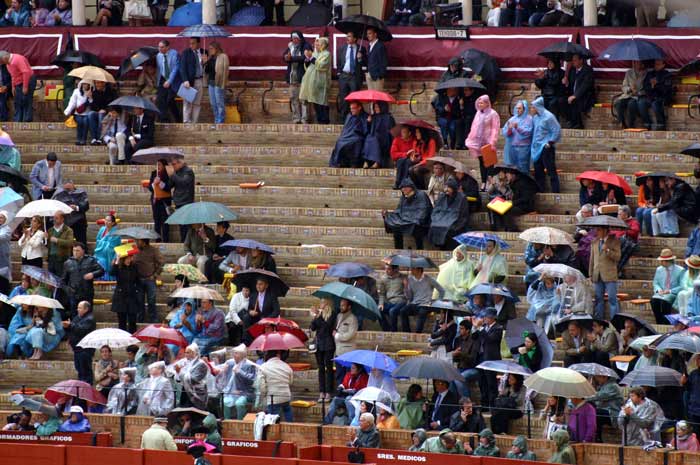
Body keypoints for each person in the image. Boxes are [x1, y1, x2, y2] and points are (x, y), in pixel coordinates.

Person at [383, 178, 432, 250]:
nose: (403, 190)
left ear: (411, 187)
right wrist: (388, 215)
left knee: (416, 227)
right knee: (396, 226)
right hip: (406, 219)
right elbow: (399, 210)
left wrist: (414, 219)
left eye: (405, 188)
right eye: (402, 188)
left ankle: (420, 248)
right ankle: (398, 249)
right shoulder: (403, 197)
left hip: (420, 221)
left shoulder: (421, 195)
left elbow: (424, 211)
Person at [465, 95, 500, 187]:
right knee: (481, 162)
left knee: (489, 162)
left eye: (482, 103)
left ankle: (490, 181)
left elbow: (495, 129)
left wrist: (493, 141)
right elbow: (474, 126)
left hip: (488, 141)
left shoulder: (493, 113)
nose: (480, 104)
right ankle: (483, 182)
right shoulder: (478, 113)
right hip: (478, 141)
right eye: (479, 103)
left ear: (486, 103)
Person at [530, 96, 561, 193]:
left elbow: (556, 130)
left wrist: (550, 142)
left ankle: (555, 190)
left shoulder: (549, 117)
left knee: (550, 169)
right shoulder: (535, 118)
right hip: (536, 147)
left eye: (533, 107)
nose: (532, 109)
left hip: (546, 147)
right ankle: (540, 189)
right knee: (538, 170)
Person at [400, 266, 444, 333]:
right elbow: (410, 297)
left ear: (419, 270)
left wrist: (438, 302)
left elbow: (441, 290)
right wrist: (406, 287)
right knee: (402, 311)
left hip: (425, 304)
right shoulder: (410, 279)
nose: (411, 270)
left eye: (413, 268)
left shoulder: (429, 279)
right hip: (414, 303)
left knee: (422, 312)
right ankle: (406, 332)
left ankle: (418, 333)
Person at [428, 178, 469, 250]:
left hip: (456, 223)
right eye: (445, 187)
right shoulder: (442, 196)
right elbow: (436, 210)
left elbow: (463, 215)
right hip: (442, 220)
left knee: (450, 230)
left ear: (453, 188)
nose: (446, 189)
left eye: (448, 188)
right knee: (434, 226)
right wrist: (436, 220)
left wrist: (456, 226)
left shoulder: (461, 198)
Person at [62, 243, 104, 314]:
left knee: (88, 313)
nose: (75, 252)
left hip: (87, 292)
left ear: (83, 251)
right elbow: (63, 280)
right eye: (74, 250)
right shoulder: (68, 263)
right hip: (73, 293)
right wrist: (68, 290)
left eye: (77, 250)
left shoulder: (90, 260)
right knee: (74, 314)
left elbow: (101, 270)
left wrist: (93, 274)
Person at [590, 226, 620, 320]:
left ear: (605, 230)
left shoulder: (614, 241)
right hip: (597, 274)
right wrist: (590, 273)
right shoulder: (594, 242)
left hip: (609, 275)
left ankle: (615, 321)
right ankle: (599, 321)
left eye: (598, 229)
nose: (597, 231)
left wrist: (607, 250)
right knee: (598, 299)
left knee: (612, 299)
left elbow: (617, 257)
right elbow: (592, 259)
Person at [62, 300, 96, 384]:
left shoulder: (89, 319)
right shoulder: (78, 317)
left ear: (86, 309)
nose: (78, 309)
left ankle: (86, 388)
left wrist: (70, 325)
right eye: (78, 308)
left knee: (85, 371)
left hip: (85, 349)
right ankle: (81, 389)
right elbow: (73, 328)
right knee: (80, 370)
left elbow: (81, 330)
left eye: (80, 308)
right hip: (77, 348)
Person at [476, 308, 503, 412]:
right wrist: (476, 327)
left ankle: (492, 405)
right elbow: (474, 337)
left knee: (491, 382)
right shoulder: (483, 327)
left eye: (486, 317)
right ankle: (484, 404)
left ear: (492, 317)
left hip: (491, 359)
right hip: (481, 358)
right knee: (482, 382)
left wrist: (480, 329)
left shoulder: (498, 328)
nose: (484, 319)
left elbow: (490, 339)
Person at [299, 37, 331, 125]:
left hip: (321, 82)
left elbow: (322, 65)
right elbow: (309, 65)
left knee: (322, 103)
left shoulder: (326, 54)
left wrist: (311, 58)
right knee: (315, 102)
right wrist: (307, 59)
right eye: (316, 44)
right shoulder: (316, 53)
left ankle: (325, 121)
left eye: (319, 44)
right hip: (313, 82)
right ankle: (319, 120)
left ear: (323, 45)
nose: (317, 46)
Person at [310, 298, 336, 401]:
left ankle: (329, 392)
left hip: (328, 344)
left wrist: (318, 317)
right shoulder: (318, 315)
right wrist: (315, 317)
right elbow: (312, 327)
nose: (321, 304)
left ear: (328, 304)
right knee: (320, 368)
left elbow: (326, 326)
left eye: (323, 302)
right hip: (319, 344)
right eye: (321, 302)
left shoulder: (332, 314)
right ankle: (321, 392)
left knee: (328, 368)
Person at [220, 344, 256, 420]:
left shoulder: (249, 365)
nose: (234, 355)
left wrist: (240, 372)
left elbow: (252, 380)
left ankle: (240, 422)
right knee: (224, 402)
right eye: (234, 353)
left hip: (244, 392)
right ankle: (227, 421)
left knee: (239, 404)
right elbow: (220, 372)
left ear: (242, 355)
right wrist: (224, 371)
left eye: (236, 353)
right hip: (231, 391)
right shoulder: (230, 363)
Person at [283, 31, 312, 124]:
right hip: (292, 78)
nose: (294, 40)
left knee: (304, 99)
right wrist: (286, 57)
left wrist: (291, 58)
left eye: (296, 38)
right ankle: (296, 118)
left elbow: (304, 57)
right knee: (293, 99)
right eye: (293, 38)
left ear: (300, 38)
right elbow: (284, 56)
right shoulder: (290, 46)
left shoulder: (306, 46)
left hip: (302, 77)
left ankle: (304, 119)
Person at [329, 101, 368, 168]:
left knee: (356, 141)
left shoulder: (365, 116)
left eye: (354, 108)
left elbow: (365, 129)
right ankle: (340, 162)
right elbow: (346, 129)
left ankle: (354, 163)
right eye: (351, 108)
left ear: (359, 107)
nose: (352, 110)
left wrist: (367, 122)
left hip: (358, 135)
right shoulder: (349, 116)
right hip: (347, 136)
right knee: (340, 141)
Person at [651, 248, 685, 324]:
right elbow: (655, 283)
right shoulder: (659, 269)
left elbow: (682, 286)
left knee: (664, 301)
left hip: (672, 293)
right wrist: (658, 290)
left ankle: (666, 322)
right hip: (661, 293)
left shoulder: (680, 270)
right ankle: (659, 322)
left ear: (668, 261)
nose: (661, 262)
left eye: (662, 261)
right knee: (654, 301)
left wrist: (670, 291)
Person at [637, 59, 673, 131]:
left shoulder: (667, 74)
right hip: (650, 96)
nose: (656, 66)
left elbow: (666, 89)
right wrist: (651, 87)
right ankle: (647, 123)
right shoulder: (650, 74)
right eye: (655, 64)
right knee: (641, 103)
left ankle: (661, 124)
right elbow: (645, 86)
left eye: (658, 64)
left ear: (663, 65)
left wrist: (656, 85)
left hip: (662, 97)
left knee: (655, 104)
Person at [0, 51, 36, 122]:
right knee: (18, 102)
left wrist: (25, 86)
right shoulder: (8, 64)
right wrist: (13, 87)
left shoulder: (18, 59)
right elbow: (13, 76)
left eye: (1, 61)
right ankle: (18, 120)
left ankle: (27, 120)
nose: (1, 63)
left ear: (4, 58)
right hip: (18, 83)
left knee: (26, 100)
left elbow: (26, 72)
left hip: (27, 81)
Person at [133, 238, 163, 323]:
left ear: (144, 242)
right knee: (139, 301)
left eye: (138, 241)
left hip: (150, 279)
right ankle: (140, 320)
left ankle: (154, 320)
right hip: (138, 280)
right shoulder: (134, 250)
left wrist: (155, 275)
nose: (137, 242)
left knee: (151, 301)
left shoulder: (153, 250)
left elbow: (161, 263)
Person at [258, 350, 294, 422]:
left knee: (273, 420)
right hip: (286, 396)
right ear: (278, 355)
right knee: (287, 411)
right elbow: (290, 382)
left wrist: (264, 395)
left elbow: (262, 386)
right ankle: (290, 426)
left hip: (272, 398)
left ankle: (275, 431)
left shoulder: (263, 367)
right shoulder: (286, 366)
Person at [336, 32, 365, 121]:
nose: (347, 38)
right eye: (347, 36)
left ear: (355, 38)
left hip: (354, 76)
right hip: (344, 76)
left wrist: (360, 58)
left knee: (354, 98)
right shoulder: (342, 48)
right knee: (343, 99)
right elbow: (339, 62)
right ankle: (343, 120)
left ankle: (355, 119)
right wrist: (339, 73)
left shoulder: (361, 49)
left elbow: (365, 63)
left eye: (349, 36)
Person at [173, 342, 209, 410]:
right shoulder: (186, 363)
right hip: (185, 390)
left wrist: (179, 372)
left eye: (188, 352)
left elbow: (194, 379)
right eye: (185, 352)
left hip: (196, 392)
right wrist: (178, 372)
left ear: (193, 353)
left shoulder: (201, 364)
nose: (185, 354)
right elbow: (179, 379)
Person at [563, 54, 595, 129]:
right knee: (561, 100)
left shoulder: (588, 70)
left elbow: (585, 85)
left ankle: (577, 124)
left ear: (581, 60)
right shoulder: (572, 70)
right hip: (573, 94)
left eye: (575, 60)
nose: (573, 62)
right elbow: (571, 85)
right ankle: (571, 121)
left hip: (586, 96)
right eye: (572, 60)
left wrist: (575, 95)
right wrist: (566, 83)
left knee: (574, 101)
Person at [64, 80, 100, 146]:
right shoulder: (76, 91)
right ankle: (78, 139)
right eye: (83, 84)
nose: (85, 85)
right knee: (80, 122)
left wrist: (90, 97)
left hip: (87, 114)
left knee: (85, 122)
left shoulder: (92, 92)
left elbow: (94, 106)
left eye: (86, 84)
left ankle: (83, 140)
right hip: (78, 113)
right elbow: (72, 102)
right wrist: (67, 111)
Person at [589, 374, 624, 442]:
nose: (596, 379)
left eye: (598, 377)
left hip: (613, 413)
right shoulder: (603, 386)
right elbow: (597, 402)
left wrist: (585, 398)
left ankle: (598, 437)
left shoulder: (613, 386)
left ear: (604, 377)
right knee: (590, 410)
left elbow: (600, 396)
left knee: (596, 413)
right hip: (605, 411)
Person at [502, 100, 533, 174]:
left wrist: (517, 128)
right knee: (513, 169)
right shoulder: (512, 119)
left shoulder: (529, 119)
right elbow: (506, 133)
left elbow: (528, 132)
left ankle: (525, 183)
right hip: (512, 147)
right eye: (516, 108)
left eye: (519, 108)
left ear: (524, 109)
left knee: (523, 168)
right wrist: (509, 129)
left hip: (524, 147)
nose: (517, 110)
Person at [614, 61, 647, 129]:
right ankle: (622, 123)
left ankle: (631, 124)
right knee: (618, 103)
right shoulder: (629, 72)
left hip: (637, 96)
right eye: (635, 63)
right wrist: (629, 89)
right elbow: (624, 86)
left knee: (631, 104)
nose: (636, 64)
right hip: (628, 95)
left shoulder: (646, 74)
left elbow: (647, 89)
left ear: (642, 64)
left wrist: (638, 93)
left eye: (639, 63)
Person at [179, 37, 205, 124]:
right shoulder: (186, 53)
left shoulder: (204, 52)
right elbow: (182, 68)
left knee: (197, 103)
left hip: (200, 80)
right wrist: (185, 80)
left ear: (198, 43)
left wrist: (205, 62)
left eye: (193, 43)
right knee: (187, 102)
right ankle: (186, 122)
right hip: (189, 81)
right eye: (190, 43)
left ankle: (194, 122)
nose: (191, 45)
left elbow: (207, 68)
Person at [170, 157, 196, 242]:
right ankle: (183, 242)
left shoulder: (188, 171)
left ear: (180, 163)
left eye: (174, 164)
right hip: (179, 202)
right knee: (181, 225)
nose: (172, 166)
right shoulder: (176, 172)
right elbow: (169, 185)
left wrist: (173, 175)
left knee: (186, 226)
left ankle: (186, 243)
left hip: (186, 201)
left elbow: (183, 183)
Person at [155, 40, 181, 123]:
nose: (160, 49)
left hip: (173, 80)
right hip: (163, 79)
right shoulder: (158, 56)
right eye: (159, 47)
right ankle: (164, 120)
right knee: (160, 100)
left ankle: (178, 119)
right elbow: (159, 69)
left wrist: (169, 81)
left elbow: (175, 69)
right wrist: (159, 82)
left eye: (162, 47)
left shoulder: (174, 54)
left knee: (170, 100)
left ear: (167, 47)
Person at [363, 102, 395, 168]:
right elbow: (368, 130)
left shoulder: (389, 117)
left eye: (377, 107)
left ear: (382, 107)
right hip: (373, 137)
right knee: (368, 138)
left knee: (375, 139)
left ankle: (377, 162)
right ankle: (366, 161)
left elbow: (392, 131)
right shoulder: (373, 117)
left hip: (385, 139)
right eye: (374, 107)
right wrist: (368, 122)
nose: (375, 109)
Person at [204, 41, 229, 125]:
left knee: (219, 103)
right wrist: (205, 62)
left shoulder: (223, 56)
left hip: (219, 83)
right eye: (209, 49)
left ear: (216, 48)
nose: (210, 50)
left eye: (211, 48)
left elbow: (225, 70)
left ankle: (220, 122)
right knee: (213, 103)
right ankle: (216, 119)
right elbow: (207, 71)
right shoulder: (211, 58)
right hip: (211, 83)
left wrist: (223, 83)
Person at [147, 159, 172, 242]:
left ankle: (166, 240)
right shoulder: (154, 173)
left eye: (160, 165)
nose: (158, 166)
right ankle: (157, 239)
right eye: (157, 164)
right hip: (155, 201)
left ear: (164, 166)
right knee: (157, 221)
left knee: (165, 222)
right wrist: (154, 183)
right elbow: (150, 188)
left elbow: (168, 187)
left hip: (164, 201)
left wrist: (160, 183)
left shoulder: (168, 174)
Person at [359, 27, 387, 91]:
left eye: (370, 33)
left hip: (377, 77)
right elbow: (368, 61)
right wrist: (361, 56)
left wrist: (380, 76)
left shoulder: (380, 46)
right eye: (367, 34)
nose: (368, 35)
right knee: (371, 98)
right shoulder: (369, 46)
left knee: (378, 97)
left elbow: (384, 61)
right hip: (369, 75)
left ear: (375, 34)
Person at [93, 214, 119, 280]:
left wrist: (102, 242)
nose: (106, 222)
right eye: (105, 220)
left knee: (102, 262)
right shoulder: (102, 229)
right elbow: (98, 241)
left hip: (109, 255)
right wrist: (103, 242)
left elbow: (114, 246)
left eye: (109, 220)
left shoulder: (116, 233)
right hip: (99, 252)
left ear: (113, 223)